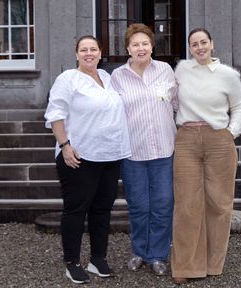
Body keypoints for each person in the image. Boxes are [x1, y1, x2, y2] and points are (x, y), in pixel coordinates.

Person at [45, 35, 131, 285]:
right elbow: (55, 114)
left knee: (102, 209)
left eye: (93, 49)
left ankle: (98, 259)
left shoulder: (107, 78)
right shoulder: (67, 79)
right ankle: (72, 263)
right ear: (76, 54)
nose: (89, 53)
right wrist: (65, 145)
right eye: (84, 50)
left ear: (100, 53)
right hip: (79, 156)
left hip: (109, 155)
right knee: (75, 210)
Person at [170, 27, 241, 285]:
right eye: (194, 44)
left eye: (204, 42)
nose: (200, 47)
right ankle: (186, 265)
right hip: (187, 139)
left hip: (219, 139)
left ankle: (214, 263)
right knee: (186, 204)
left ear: (212, 44)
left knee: (219, 203)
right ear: (190, 49)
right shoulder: (181, 70)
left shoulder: (228, 75)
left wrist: (231, 133)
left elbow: (238, 107)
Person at [109, 23, 178, 276]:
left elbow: (179, 104)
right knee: (138, 205)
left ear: (152, 46)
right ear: (127, 48)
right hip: (133, 152)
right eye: (135, 44)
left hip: (163, 150)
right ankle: (139, 251)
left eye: (145, 43)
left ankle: (158, 255)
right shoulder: (117, 76)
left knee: (162, 204)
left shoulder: (166, 71)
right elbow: (110, 114)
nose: (141, 48)